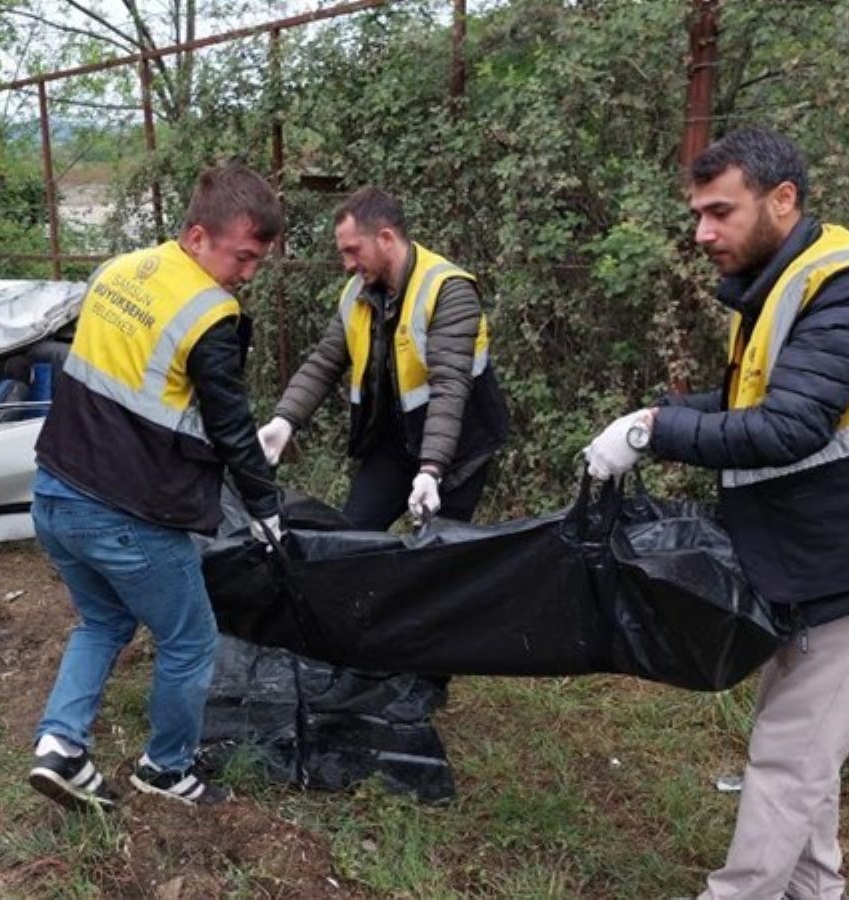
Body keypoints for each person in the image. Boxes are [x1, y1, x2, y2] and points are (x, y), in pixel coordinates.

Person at [583, 127, 849, 899]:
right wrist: (652, 414)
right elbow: (751, 403)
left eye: (719, 212)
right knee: (801, 751)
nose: (702, 232)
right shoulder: (778, 286)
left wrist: (655, 432)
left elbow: (791, 428)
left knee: (789, 757)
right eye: (698, 213)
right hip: (819, 560)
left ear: (782, 199)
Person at [27, 163, 284, 812]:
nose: (248, 274)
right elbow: (229, 424)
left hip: (53, 493)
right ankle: (166, 770)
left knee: (105, 620)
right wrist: (266, 507)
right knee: (190, 640)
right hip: (124, 514)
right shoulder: (209, 313)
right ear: (199, 237)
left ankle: (60, 748)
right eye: (243, 256)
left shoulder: (119, 271)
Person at [257, 186, 507, 531]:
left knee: (437, 559)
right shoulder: (357, 293)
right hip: (395, 441)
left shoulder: (448, 290)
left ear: (385, 238)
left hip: (457, 448)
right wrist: (284, 421)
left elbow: (450, 386)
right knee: (352, 539)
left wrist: (431, 468)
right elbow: (325, 361)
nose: (347, 264)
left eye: (352, 251)